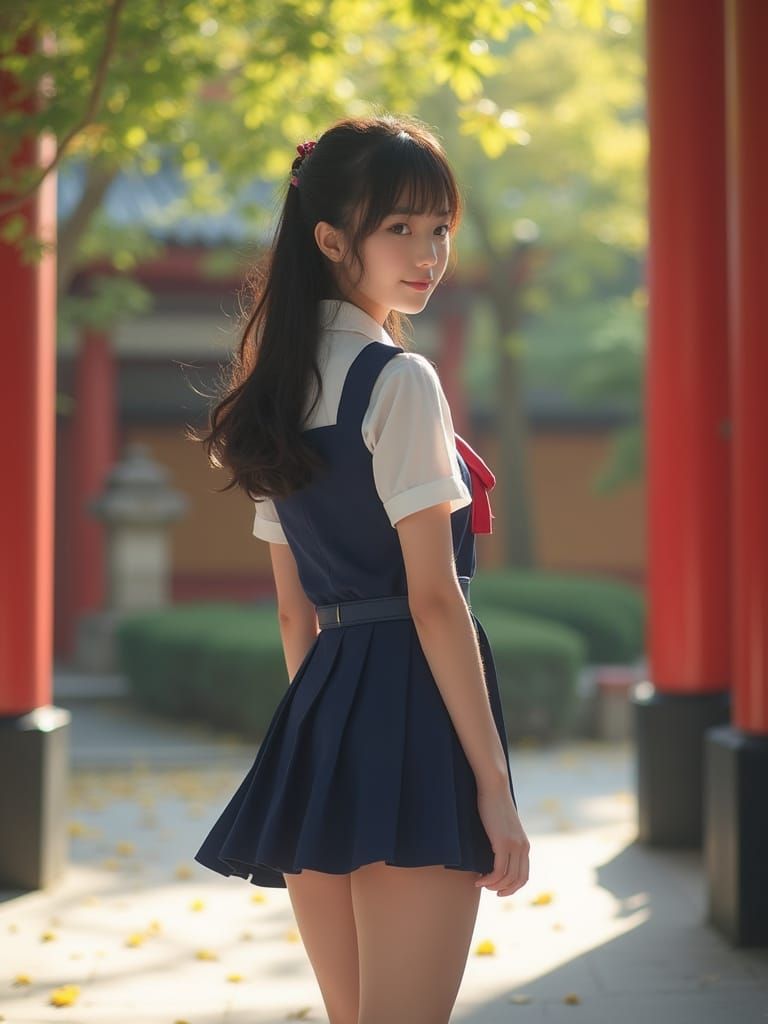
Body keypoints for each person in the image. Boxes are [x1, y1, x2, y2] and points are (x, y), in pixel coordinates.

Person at [193, 112, 530, 1024]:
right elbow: (432, 599)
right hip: (413, 714)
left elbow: (294, 617)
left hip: (321, 723)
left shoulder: (275, 391)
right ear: (333, 239)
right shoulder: (399, 380)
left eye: (439, 228)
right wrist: (494, 790)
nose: (429, 254)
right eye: (401, 229)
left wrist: (324, 747)